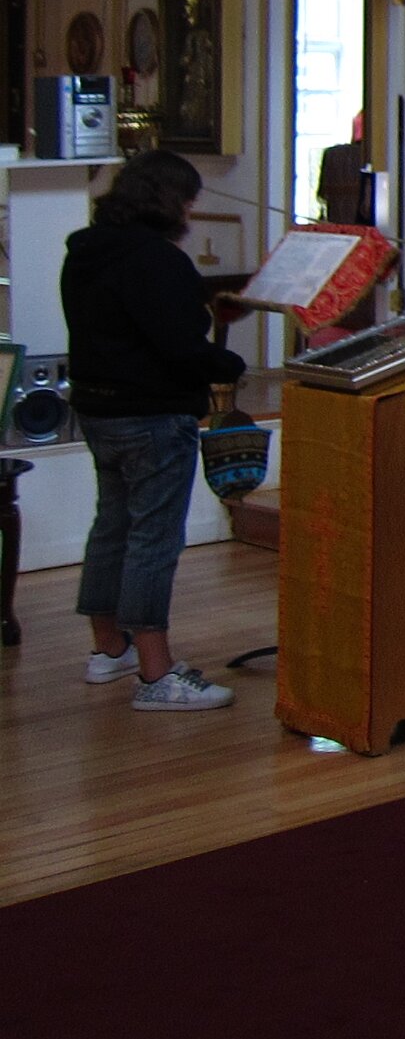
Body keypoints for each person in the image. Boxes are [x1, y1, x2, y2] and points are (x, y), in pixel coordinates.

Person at [61, 148, 245, 711]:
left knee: (112, 527)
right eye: (188, 202)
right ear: (170, 202)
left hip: (98, 410)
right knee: (153, 540)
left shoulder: (85, 250)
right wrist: (229, 364)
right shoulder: (158, 260)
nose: (190, 213)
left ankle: (108, 649)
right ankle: (156, 675)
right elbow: (178, 347)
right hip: (151, 416)